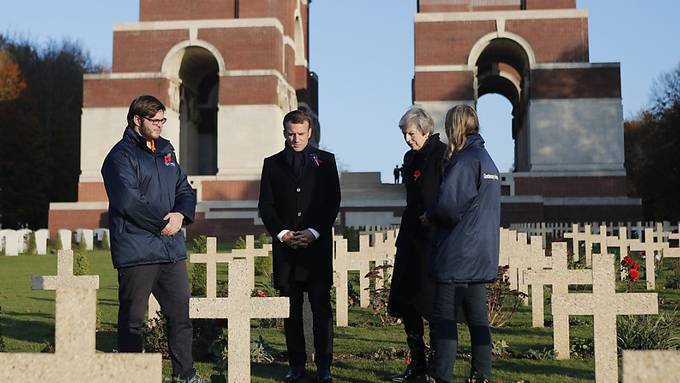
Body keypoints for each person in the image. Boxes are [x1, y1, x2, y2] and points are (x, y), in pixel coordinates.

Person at [101, 95, 205, 383]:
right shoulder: (119, 157)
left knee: (180, 317)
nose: (160, 125)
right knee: (134, 321)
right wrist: (164, 224)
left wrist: (181, 216)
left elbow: (185, 189)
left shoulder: (167, 151)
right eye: (154, 120)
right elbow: (128, 201)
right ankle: (131, 376)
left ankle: (185, 375)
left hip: (171, 251)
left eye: (162, 120)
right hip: (137, 250)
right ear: (137, 120)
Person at [258, 110, 341, 383]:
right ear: (284, 132)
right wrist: (282, 233)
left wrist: (314, 232)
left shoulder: (325, 162)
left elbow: (332, 202)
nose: (295, 139)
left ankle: (325, 366)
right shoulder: (271, 164)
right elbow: (266, 205)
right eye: (291, 134)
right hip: (286, 249)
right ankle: (296, 365)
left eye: (301, 134)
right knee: (291, 312)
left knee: (321, 309)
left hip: (315, 248)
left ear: (310, 133)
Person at [421, 104, 500, 383]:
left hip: (457, 254)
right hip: (481, 254)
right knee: (478, 321)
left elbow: (449, 207)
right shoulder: (488, 160)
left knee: (444, 320)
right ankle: (482, 375)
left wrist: (429, 215)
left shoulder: (465, 161)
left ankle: (441, 377)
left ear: (455, 127)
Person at [388, 106, 447, 382]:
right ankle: (417, 366)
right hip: (410, 236)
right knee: (406, 301)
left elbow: (447, 194)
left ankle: (435, 371)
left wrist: (433, 216)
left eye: (411, 133)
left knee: (430, 303)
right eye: (404, 134)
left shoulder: (442, 155)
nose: (407, 139)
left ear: (426, 130)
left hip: (432, 239)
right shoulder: (409, 158)